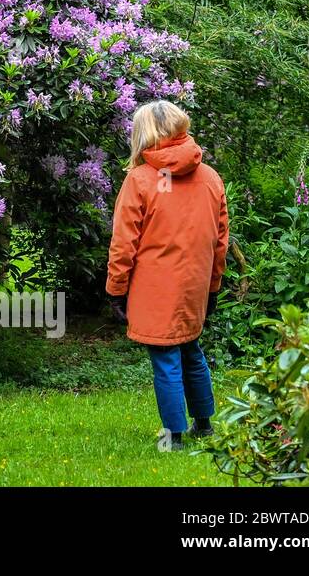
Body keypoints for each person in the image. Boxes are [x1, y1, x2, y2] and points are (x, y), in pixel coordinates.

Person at [106, 99, 228, 451]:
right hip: (194, 284)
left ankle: (173, 436)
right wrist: (214, 286)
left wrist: (116, 289)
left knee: (165, 359)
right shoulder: (210, 177)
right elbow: (220, 240)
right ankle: (203, 424)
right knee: (191, 350)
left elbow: (123, 242)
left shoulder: (141, 179)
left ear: (144, 134)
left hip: (155, 288)